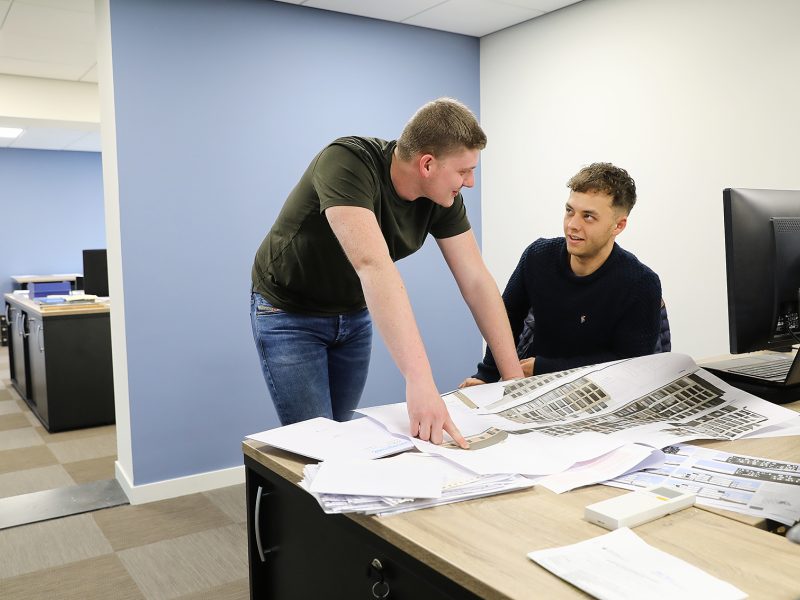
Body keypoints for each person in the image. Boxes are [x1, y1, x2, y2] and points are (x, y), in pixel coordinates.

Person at [251, 98, 523, 447]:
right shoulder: (346, 162)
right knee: (317, 445)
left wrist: (514, 380)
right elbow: (373, 266)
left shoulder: (442, 198)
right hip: (289, 312)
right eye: (464, 171)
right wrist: (421, 383)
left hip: (352, 313)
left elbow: (476, 280)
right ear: (427, 164)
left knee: (342, 430)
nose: (470, 182)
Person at [460, 162, 662, 387]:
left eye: (588, 217)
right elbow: (505, 318)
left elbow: (630, 366)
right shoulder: (538, 257)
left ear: (618, 226)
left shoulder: (641, 283)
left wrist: (546, 369)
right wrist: (486, 376)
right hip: (537, 389)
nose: (572, 225)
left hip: (602, 395)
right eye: (569, 211)